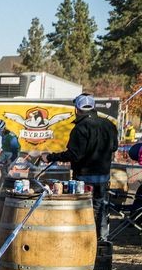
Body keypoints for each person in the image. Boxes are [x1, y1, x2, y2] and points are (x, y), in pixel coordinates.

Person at [33, 94, 119, 239]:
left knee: (82, 210)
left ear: (77, 109)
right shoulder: (109, 125)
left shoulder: (80, 128)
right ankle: (101, 241)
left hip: (84, 177)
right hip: (103, 176)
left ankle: (83, 240)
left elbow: (74, 155)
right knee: (101, 209)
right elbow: (115, 147)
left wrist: (50, 157)